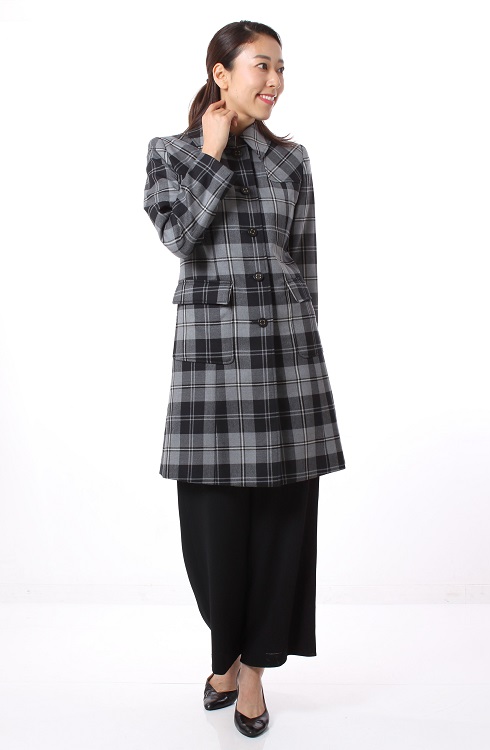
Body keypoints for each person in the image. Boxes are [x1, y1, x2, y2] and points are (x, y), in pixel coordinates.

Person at [143, 19, 346, 738]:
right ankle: (223, 654)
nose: (275, 82)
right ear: (221, 73)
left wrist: (306, 346)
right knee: (213, 529)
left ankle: (253, 673)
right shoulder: (170, 153)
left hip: (287, 361)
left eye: (281, 68)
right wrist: (211, 152)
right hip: (210, 365)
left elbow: (306, 263)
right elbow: (178, 237)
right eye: (262, 66)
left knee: (284, 525)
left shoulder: (292, 161)